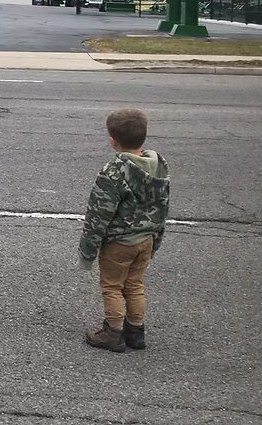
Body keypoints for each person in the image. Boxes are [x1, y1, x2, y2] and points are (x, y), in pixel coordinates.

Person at [78, 108, 170, 352]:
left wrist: (87, 250)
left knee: (112, 286)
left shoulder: (113, 172)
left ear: (112, 140)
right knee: (135, 283)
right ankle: (136, 330)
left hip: (120, 242)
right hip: (147, 238)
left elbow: (99, 213)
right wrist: (156, 238)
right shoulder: (159, 166)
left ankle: (113, 332)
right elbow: (163, 206)